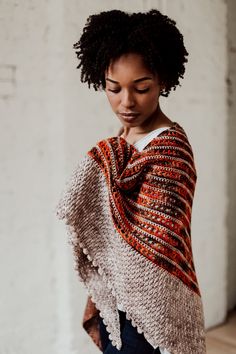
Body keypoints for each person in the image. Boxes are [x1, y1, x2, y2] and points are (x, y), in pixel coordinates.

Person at [55, 8, 206, 354]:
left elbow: (160, 241)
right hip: (115, 302)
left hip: (153, 310)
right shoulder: (122, 144)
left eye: (141, 88)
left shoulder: (171, 151)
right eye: (114, 88)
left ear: (163, 81)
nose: (126, 102)